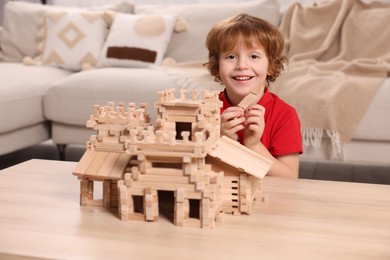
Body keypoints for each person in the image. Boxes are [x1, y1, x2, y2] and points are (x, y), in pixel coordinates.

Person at [204, 14, 303, 178]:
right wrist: (221, 141)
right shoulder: (204, 111)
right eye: (231, 57)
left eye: (254, 56)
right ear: (216, 67)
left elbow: (289, 178)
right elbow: (195, 172)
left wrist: (254, 146)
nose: (242, 65)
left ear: (271, 65)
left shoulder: (285, 115)